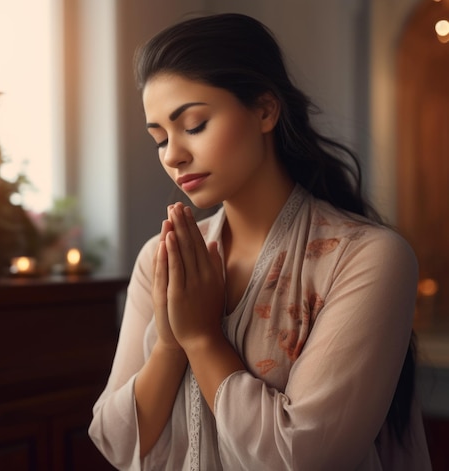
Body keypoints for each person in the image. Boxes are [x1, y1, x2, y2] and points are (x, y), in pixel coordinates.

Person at [88, 12, 432, 470]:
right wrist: (170, 346)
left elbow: (305, 457)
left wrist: (203, 339)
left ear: (266, 110)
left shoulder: (367, 257)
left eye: (193, 124)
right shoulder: (161, 258)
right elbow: (114, 439)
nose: (173, 154)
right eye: (159, 138)